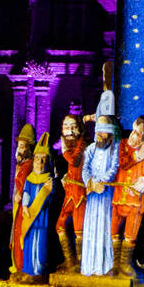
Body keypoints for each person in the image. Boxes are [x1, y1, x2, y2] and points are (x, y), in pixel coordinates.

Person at [111, 116, 144, 280]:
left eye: (138, 132)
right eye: (133, 130)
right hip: (119, 194)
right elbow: (122, 163)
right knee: (113, 230)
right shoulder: (123, 145)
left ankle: (125, 264)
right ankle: (113, 264)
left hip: (137, 198)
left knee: (130, 233)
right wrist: (137, 156)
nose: (134, 134)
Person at [81, 114, 121, 277]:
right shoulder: (91, 149)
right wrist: (90, 182)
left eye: (102, 130)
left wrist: (102, 183)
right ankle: (90, 267)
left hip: (107, 196)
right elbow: (85, 168)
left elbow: (114, 169)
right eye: (97, 130)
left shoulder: (115, 148)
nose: (99, 133)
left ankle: (105, 266)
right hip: (93, 197)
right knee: (91, 229)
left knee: (105, 227)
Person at [55, 113, 87, 273]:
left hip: (80, 192)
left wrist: (64, 150)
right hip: (70, 191)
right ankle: (70, 261)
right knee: (60, 225)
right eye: (66, 126)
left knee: (78, 228)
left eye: (73, 126)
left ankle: (80, 264)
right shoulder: (69, 146)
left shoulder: (82, 144)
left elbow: (74, 160)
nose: (69, 130)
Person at [20, 133, 54, 279]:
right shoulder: (29, 179)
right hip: (30, 217)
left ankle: (40, 270)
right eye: (37, 159)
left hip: (42, 218)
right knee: (29, 242)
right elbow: (26, 193)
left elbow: (51, 199)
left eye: (43, 160)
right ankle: (28, 269)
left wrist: (50, 191)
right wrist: (25, 206)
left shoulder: (49, 179)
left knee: (41, 244)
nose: (39, 163)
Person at [10, 122, 35, 275]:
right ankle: (16, 266)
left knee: (21, 235)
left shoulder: (29, 165)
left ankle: (22, 267)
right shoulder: (20, 165)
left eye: (22, 145)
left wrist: (21, 193)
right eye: (19, 145)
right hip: (17, 205)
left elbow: (27, 185)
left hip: (25, 206)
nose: (19, 148)